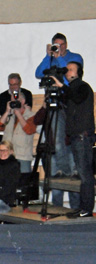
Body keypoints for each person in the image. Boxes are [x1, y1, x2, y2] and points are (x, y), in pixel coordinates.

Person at [52, 62, 95, 218]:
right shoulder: (72, 90)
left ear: (78, 73)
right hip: (77, 136)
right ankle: (84, 208)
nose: (67, 71)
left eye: (70, 69)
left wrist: (61, 86)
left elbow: (76, 98)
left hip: (82, 136)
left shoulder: (83, 87)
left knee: (85, 174)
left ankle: (87, 209)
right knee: (84, 174)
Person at [0, 93, 36, 173]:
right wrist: (7, 112)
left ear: (23, 101)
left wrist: (19, 114)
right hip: (8, 156)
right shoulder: (10, 116)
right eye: (12, 100)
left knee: (23, 183)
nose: (14, 102)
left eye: (16, 100)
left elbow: (29, 130)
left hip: (23, 156)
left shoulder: (32, 115)